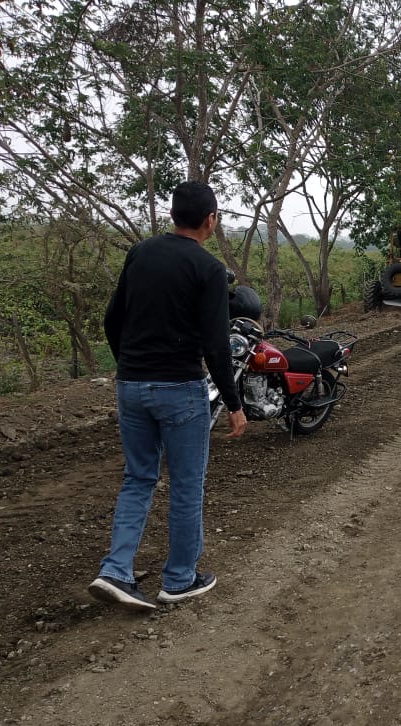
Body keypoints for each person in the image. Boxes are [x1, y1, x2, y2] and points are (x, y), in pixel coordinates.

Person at [90, 181, 248, 611]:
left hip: (131, 386)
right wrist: (234, 404)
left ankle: (115, 570)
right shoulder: (208, 269)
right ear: (210, 220)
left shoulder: (140, 253)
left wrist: (130, 365)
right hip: (180, 389)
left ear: (173, 215)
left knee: (138, 477)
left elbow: (112, 318)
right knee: (186, 485)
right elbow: (216, 346)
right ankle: (179, 579)